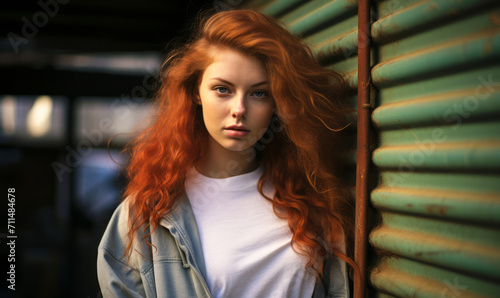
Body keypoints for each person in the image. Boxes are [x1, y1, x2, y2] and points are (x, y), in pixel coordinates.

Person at [97, 9, 357, 298]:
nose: (239, 110)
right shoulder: (145, 214)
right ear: (196, 92)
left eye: (259, 93)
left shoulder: (311, 203)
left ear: (277, 103)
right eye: (223, 89)